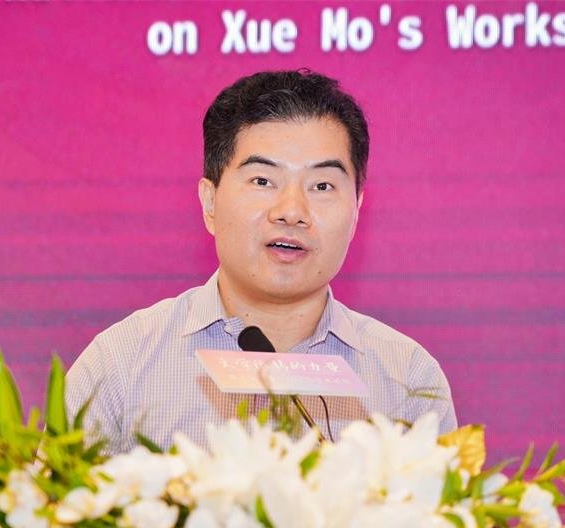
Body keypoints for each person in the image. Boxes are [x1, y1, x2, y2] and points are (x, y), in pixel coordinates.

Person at [66, 69, 456, 453]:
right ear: (210, 202)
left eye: (322, 185)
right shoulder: (121, 365)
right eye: (263, 181)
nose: (291, 212)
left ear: (356, 211)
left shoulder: (407, 381)